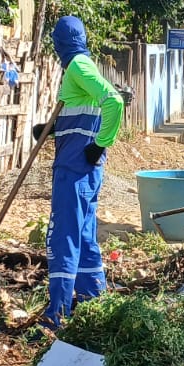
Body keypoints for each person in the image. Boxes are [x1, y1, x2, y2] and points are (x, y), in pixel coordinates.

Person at [32, 16, 124, 328]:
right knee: (84, 237)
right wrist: (52, 129)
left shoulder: (77, 67)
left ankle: (56, 315)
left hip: (74, 168)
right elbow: (84, 115)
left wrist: (100, 144)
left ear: (60, 43)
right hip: (85, 170)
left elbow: (114, 102)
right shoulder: (84, 66)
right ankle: (93, 304)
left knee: (63, 237)